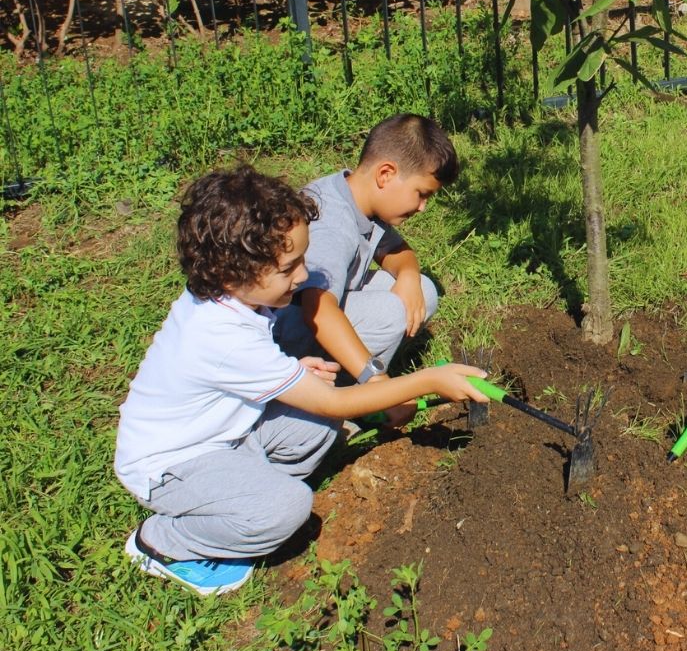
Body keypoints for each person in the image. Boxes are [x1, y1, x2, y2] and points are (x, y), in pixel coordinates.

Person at [115, 166, 488, 595]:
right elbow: (332, 403)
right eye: (290, 267)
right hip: (171, 466)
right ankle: (160, 541)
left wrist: (294, 374)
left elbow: (255, 378)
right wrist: (428, 380)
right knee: (288, 508)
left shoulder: (233, 297)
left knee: (317, 427)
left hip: (225, 436)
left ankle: (243, 496)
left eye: (303, 260)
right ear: (232, 272)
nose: (303, 275)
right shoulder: (220, 334)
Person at [275, 113, 459, 427]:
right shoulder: (332, 225)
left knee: (422, 291)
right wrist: (381, 386)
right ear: (386, 174)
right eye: (422, 194)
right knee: (390, 310)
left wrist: (410, 275)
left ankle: (356, 384)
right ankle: (348, 404)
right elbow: (317, 312)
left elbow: (398, 253)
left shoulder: (358, 196)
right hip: (286, 342)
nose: (423, 207)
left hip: (319, 316)